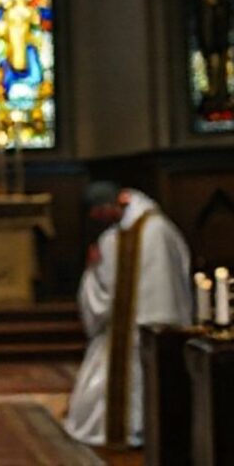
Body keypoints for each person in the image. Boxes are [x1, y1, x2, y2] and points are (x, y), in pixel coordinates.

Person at [64, 182, 192, 448]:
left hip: (137, 326)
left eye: (101, 215)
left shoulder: (122, 239)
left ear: (113, 204)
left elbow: (103, 296)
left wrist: (93, 267)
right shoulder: (160, 227)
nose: (101, 221)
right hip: (160, 323)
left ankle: (133, 429)